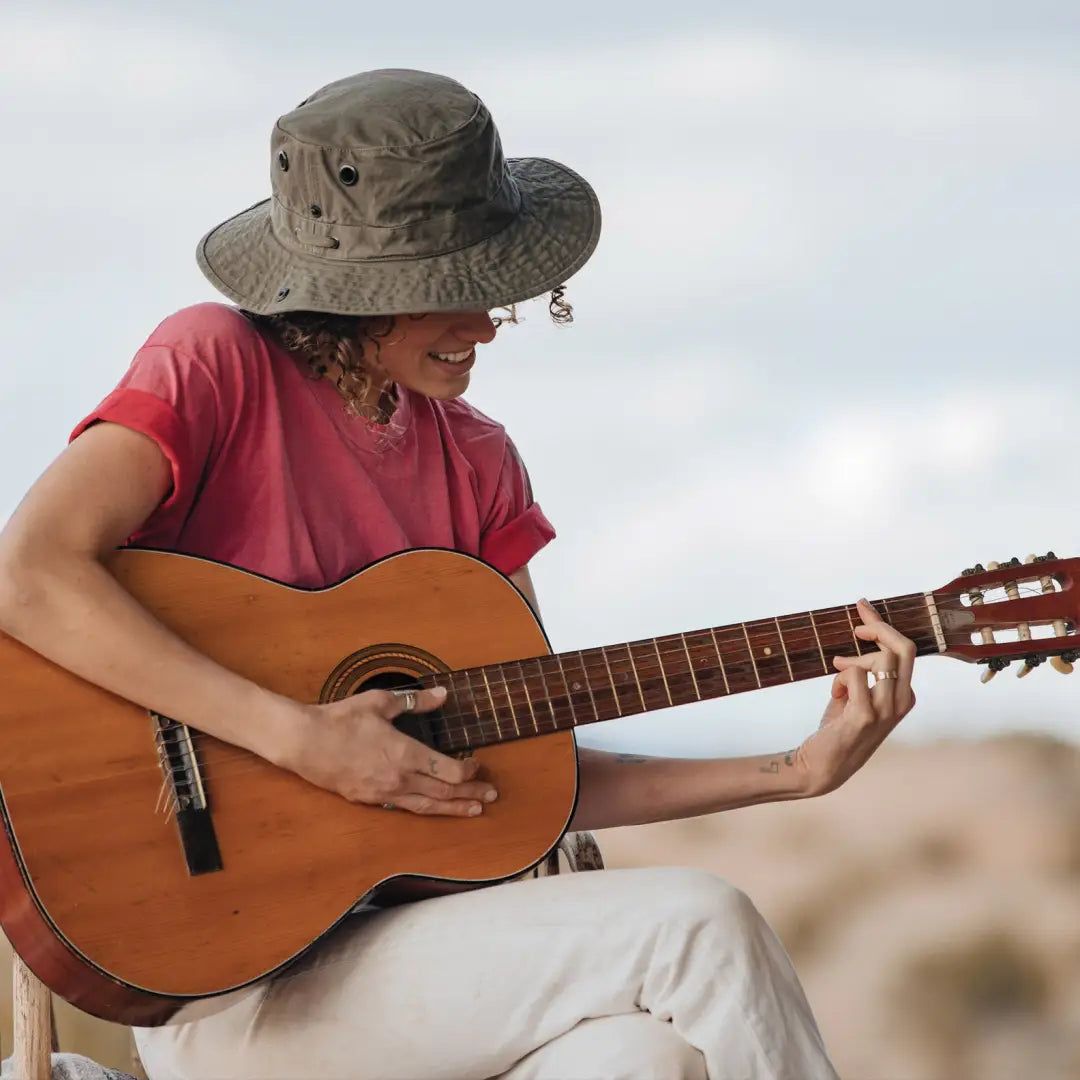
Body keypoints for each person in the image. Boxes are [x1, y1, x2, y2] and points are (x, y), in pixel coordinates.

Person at [0, 69, 916, 1080]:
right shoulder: (214, 366)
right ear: (354, 292)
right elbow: (28, 575)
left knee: (642, 1061)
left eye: (490, 281)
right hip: (226, 981)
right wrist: (301, 741)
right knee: (701, 922)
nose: (485, 323)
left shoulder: (478, 463)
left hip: (412, 958)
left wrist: (792, 773)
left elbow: (529, 771)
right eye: (449, 286)